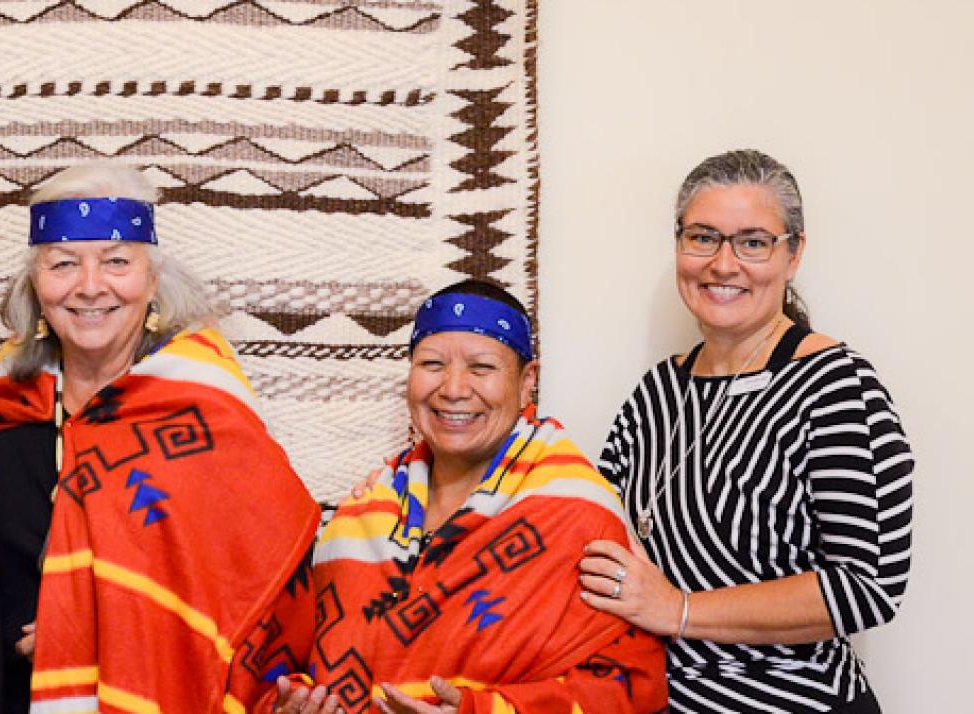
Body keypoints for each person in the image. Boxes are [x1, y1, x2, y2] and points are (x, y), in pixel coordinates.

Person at [0, 162, 320, 712]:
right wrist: (25, 630)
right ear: (36, 285)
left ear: (151, 282)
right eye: (63, 264)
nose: (89, 287)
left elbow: (265, 560)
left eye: (116, 262)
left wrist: (119, 635)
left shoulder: (205, 413)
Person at [582, 150, 914, 713]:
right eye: (703, 237)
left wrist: (679, 610)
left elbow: (867, 586)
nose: (723, 263)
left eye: (753, 242)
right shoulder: (656, 394)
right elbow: (591, 536)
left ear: (794, 254)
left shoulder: (835, 386)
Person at [271, 281, 667, 714]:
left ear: (526, 382)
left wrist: (487, 710)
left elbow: (631, 687)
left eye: (481, 367)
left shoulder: (576, 511)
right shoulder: (363, 515)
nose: (454, 388)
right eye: (432, 363)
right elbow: (306, 663)